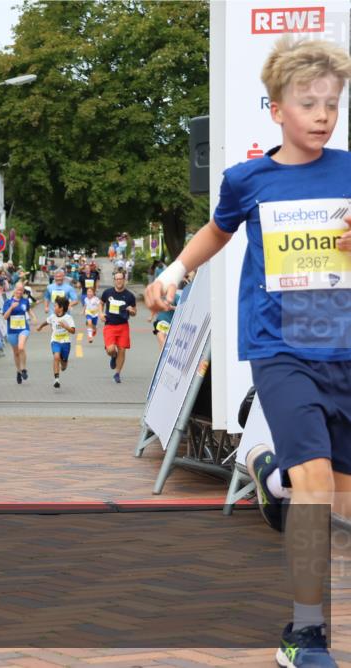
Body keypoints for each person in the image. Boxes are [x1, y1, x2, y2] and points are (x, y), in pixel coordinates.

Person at [145, 38, 351, 668]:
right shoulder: (248, 179)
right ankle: (307, 632)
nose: (321, 114)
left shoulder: (349, 171)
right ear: (276, 108)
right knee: (316, 487)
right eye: (307, 102)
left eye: (332, 104)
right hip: (280, 347)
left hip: (344, 346)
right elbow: (216, 231)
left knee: (336, 498)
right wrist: (175, 272)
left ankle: (267, 470)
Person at [100, 269, 136, 383]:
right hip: (110, 325)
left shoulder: (129, 296)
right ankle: (113, 356)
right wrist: (100, 313)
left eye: (121, 279)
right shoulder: (107, 292)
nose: (119, 281)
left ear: (124, 280)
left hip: (123, 326)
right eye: (117, 279)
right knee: (110, 349)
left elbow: (135, 312)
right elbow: (101, 303)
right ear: (114, 281)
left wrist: (132, 310)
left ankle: (117, 373)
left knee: (122, 350)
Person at [36, 294, 74, 389]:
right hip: (55, 341)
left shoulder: (68, 318)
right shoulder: (52, 316)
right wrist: (40, 326)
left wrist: (66, 326)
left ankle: (64, 361)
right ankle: (56, 379)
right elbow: (46, 321)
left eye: (56, 306)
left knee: (64, 366)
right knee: (56, 356)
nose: (54, 307)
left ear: (61, 308)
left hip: (65, 342)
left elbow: (73, 331)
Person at [2, 281, 35, 383]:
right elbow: (5, 317)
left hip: (23, 328)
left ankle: (24, 369)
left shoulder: (25, 301)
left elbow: (29, 310)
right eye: (18, 289)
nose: (20, 291)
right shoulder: (8, 302)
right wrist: (11, 307)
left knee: (21, 347)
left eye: (21, 290)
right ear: (14, 289)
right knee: (16, 353)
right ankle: (18, 371)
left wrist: (34, 317)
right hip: (12, 331)